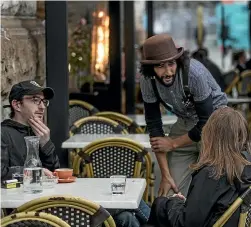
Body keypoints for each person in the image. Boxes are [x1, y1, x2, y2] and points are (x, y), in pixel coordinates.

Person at [139, 34, 228, 197]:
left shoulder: (194, 73)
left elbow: (206, 123)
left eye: (171, 64)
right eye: (160, 66)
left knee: (211, 189)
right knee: (169, 190)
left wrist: (172, 143)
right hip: (187, 121)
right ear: (150, 68)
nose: (167, 72)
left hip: (216, 122)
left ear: (177, 61)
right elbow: (154, 127)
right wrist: (166, 176)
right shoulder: (147, 80)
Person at [146, 107, 251, 227]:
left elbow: (186, 223)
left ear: (211, 136)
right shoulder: (245, 167)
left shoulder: (212, 174)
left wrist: (170, 202)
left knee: (153, 207)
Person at [1, 80, 60, 181]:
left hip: (41, 195)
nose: (42, 107)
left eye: (44, 101)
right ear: (17, 105)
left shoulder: (39, 133)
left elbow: (54, 174)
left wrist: (46, 145)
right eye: (35, 100)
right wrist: (33, 173)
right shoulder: (3, 133)